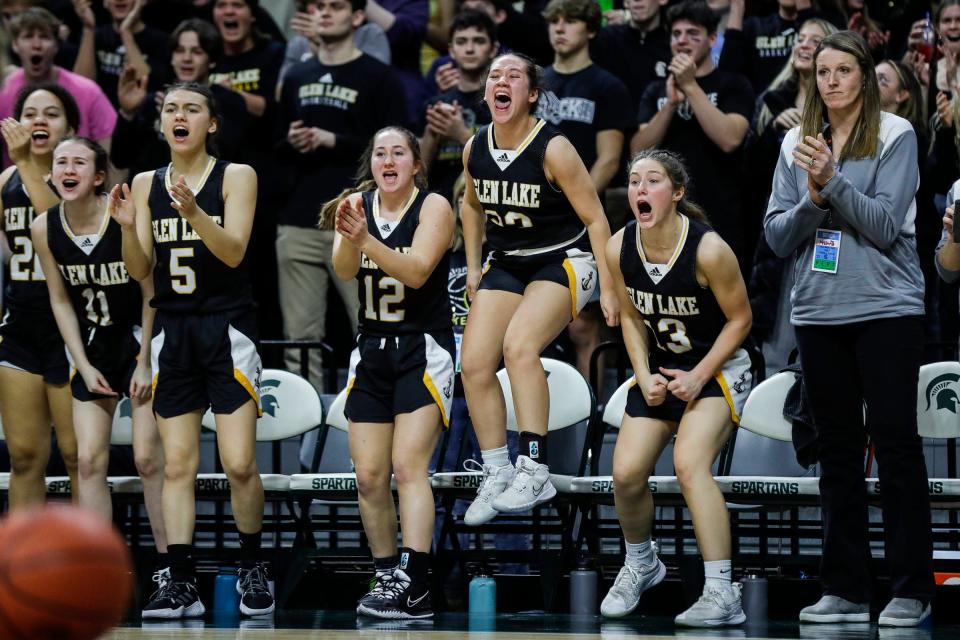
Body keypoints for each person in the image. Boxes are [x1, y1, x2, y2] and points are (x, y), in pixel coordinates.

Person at [765, 30, 934, 627]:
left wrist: (832, 184)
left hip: (887, 309)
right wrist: (814, 199)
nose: (831, 80)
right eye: (822, 71)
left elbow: (886, 225)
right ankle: (846, 588)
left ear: (864, 76)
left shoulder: (896, 134)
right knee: (836, 453)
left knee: (894, 447)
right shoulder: (795, 144)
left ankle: (911, 588)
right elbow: (778, 235)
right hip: (816, 312)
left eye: (844, 70)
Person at [110, 81, 273, 619]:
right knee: (177, 465)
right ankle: (180, 580)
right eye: (171, 109)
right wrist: (132, 230)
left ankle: (253, 563)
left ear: (212, 123)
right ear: (162, 123)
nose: (179, 116)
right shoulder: (144, 182)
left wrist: (196, 212)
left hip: (227, 329)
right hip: (172, 332)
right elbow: (141, 273)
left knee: (239, 463)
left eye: (192, 109)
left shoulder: (236, 176)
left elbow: (233, 253)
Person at [459, 52, 618, 525]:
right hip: (508, 261)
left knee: (520, 347)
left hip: (565, 257)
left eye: (512, 76)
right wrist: (472, 266)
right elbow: (470, 207)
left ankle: (534, 466)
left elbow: (595, 217)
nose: (500, 82)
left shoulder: (554, 148)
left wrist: (608, 287)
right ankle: (497, 470)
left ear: (531, 94)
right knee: (473, 362)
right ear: (486, 92)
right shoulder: (475, 147)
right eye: (494, 77)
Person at [600, 149, 752, 627]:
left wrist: (700, 375)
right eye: (634, 181)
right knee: (624, 474)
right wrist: (642, 373)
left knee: (689, 464)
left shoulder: (708, 249)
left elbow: (741, 319)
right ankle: (642, 562)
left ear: (678, 193)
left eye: (653, 181)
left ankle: (722, 592)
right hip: (663, 369)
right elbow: (628, 314)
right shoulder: (618, 246)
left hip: (718, 368)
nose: (640, 189)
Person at [30, 135, 168, 593]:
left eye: (79, 162)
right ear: (51, 174)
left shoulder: (123, 216)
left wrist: (145, 361)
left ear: (100, 176)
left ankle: (172, 571)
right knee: (88, 461)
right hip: (93, 345)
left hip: (142, 339)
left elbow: (151, 294)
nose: (68, 169)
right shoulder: (43, 227)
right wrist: (82, 362)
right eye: (61, 162)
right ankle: (96, 573)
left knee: (149, 459)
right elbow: (59, 299)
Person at [328, 126, 454, 620]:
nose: (388, 159)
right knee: (369, 476)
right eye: (379, 152)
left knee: (407, 468)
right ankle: (386, 576)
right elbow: (343, 270)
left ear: (416, 164)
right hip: (371, 347)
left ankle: (417, 579)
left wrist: (365, 241)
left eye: (398, 152)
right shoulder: (358, 204)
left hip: (422, 348)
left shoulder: (433, 207)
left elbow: (418, 270)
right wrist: (348, 235)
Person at [276, 0, 407, 393]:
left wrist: (334, 140)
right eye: (318, 7)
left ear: (357, 17)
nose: (324, 12)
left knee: (372, 327)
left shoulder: (379, 76)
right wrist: (293, 141)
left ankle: (376, 420)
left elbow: (397, 149)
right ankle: (306, 440)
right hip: (300, 218)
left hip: (361, 219)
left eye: (335, 6)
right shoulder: (297, 74)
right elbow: (275, 144)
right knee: (301, 340)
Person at [0, 83, 78, 509]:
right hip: (21, 326)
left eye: (51, 114)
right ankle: (18, 570)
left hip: (71, 329)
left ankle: (89, 568)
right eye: (30, 114)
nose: (39, 122)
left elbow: (56, 226)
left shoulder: (77, 177)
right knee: (25, 456)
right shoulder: (6, 182)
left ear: (69, 126)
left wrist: (26, 163)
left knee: (76, 456)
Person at [631, 0, 754, 265]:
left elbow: (730, 139)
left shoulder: (733, 84)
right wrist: (671, 105)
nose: (682, 41)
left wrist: (690, 86)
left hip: (720, 213)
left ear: (712, 39)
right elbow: (638, 152)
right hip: (666, 214)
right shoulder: (656, 90)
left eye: (692, 34)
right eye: (676, 34)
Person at [111, 18, 250, 176]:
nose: (186, 58)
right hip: (149, 195)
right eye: (179, 50)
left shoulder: (229, 102)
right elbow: (120, 159)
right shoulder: (153, 101)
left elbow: (225, 159)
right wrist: (127, 114)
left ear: (211, 60)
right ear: (171, 58)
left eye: (197, 52)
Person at [0, 8, 116, 167]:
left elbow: (112, 157)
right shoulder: (3, 89)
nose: (36, 45)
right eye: (28, 37)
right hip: (15, 187)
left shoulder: (88, 91)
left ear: (56, 45)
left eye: (44, 37)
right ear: (14, 44)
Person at [420, 8, 497, 201]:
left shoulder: (502, 103)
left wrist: (461, 134)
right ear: (451, 50)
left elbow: (507, 166)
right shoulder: (436, 104)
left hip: (489, 206)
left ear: (493, 49)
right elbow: (418, 176)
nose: (469, 49)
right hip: (440, 205)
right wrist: (432, 133)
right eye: (461, 42)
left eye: (478, 41)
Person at [71, 0, 168, 109]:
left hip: (138, 117)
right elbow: (81, 86)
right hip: (101, 113)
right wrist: (88, 29)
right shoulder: (96, 36)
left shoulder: (159, 40)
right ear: (105, 2)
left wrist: (125, 32)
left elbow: (147, 87)